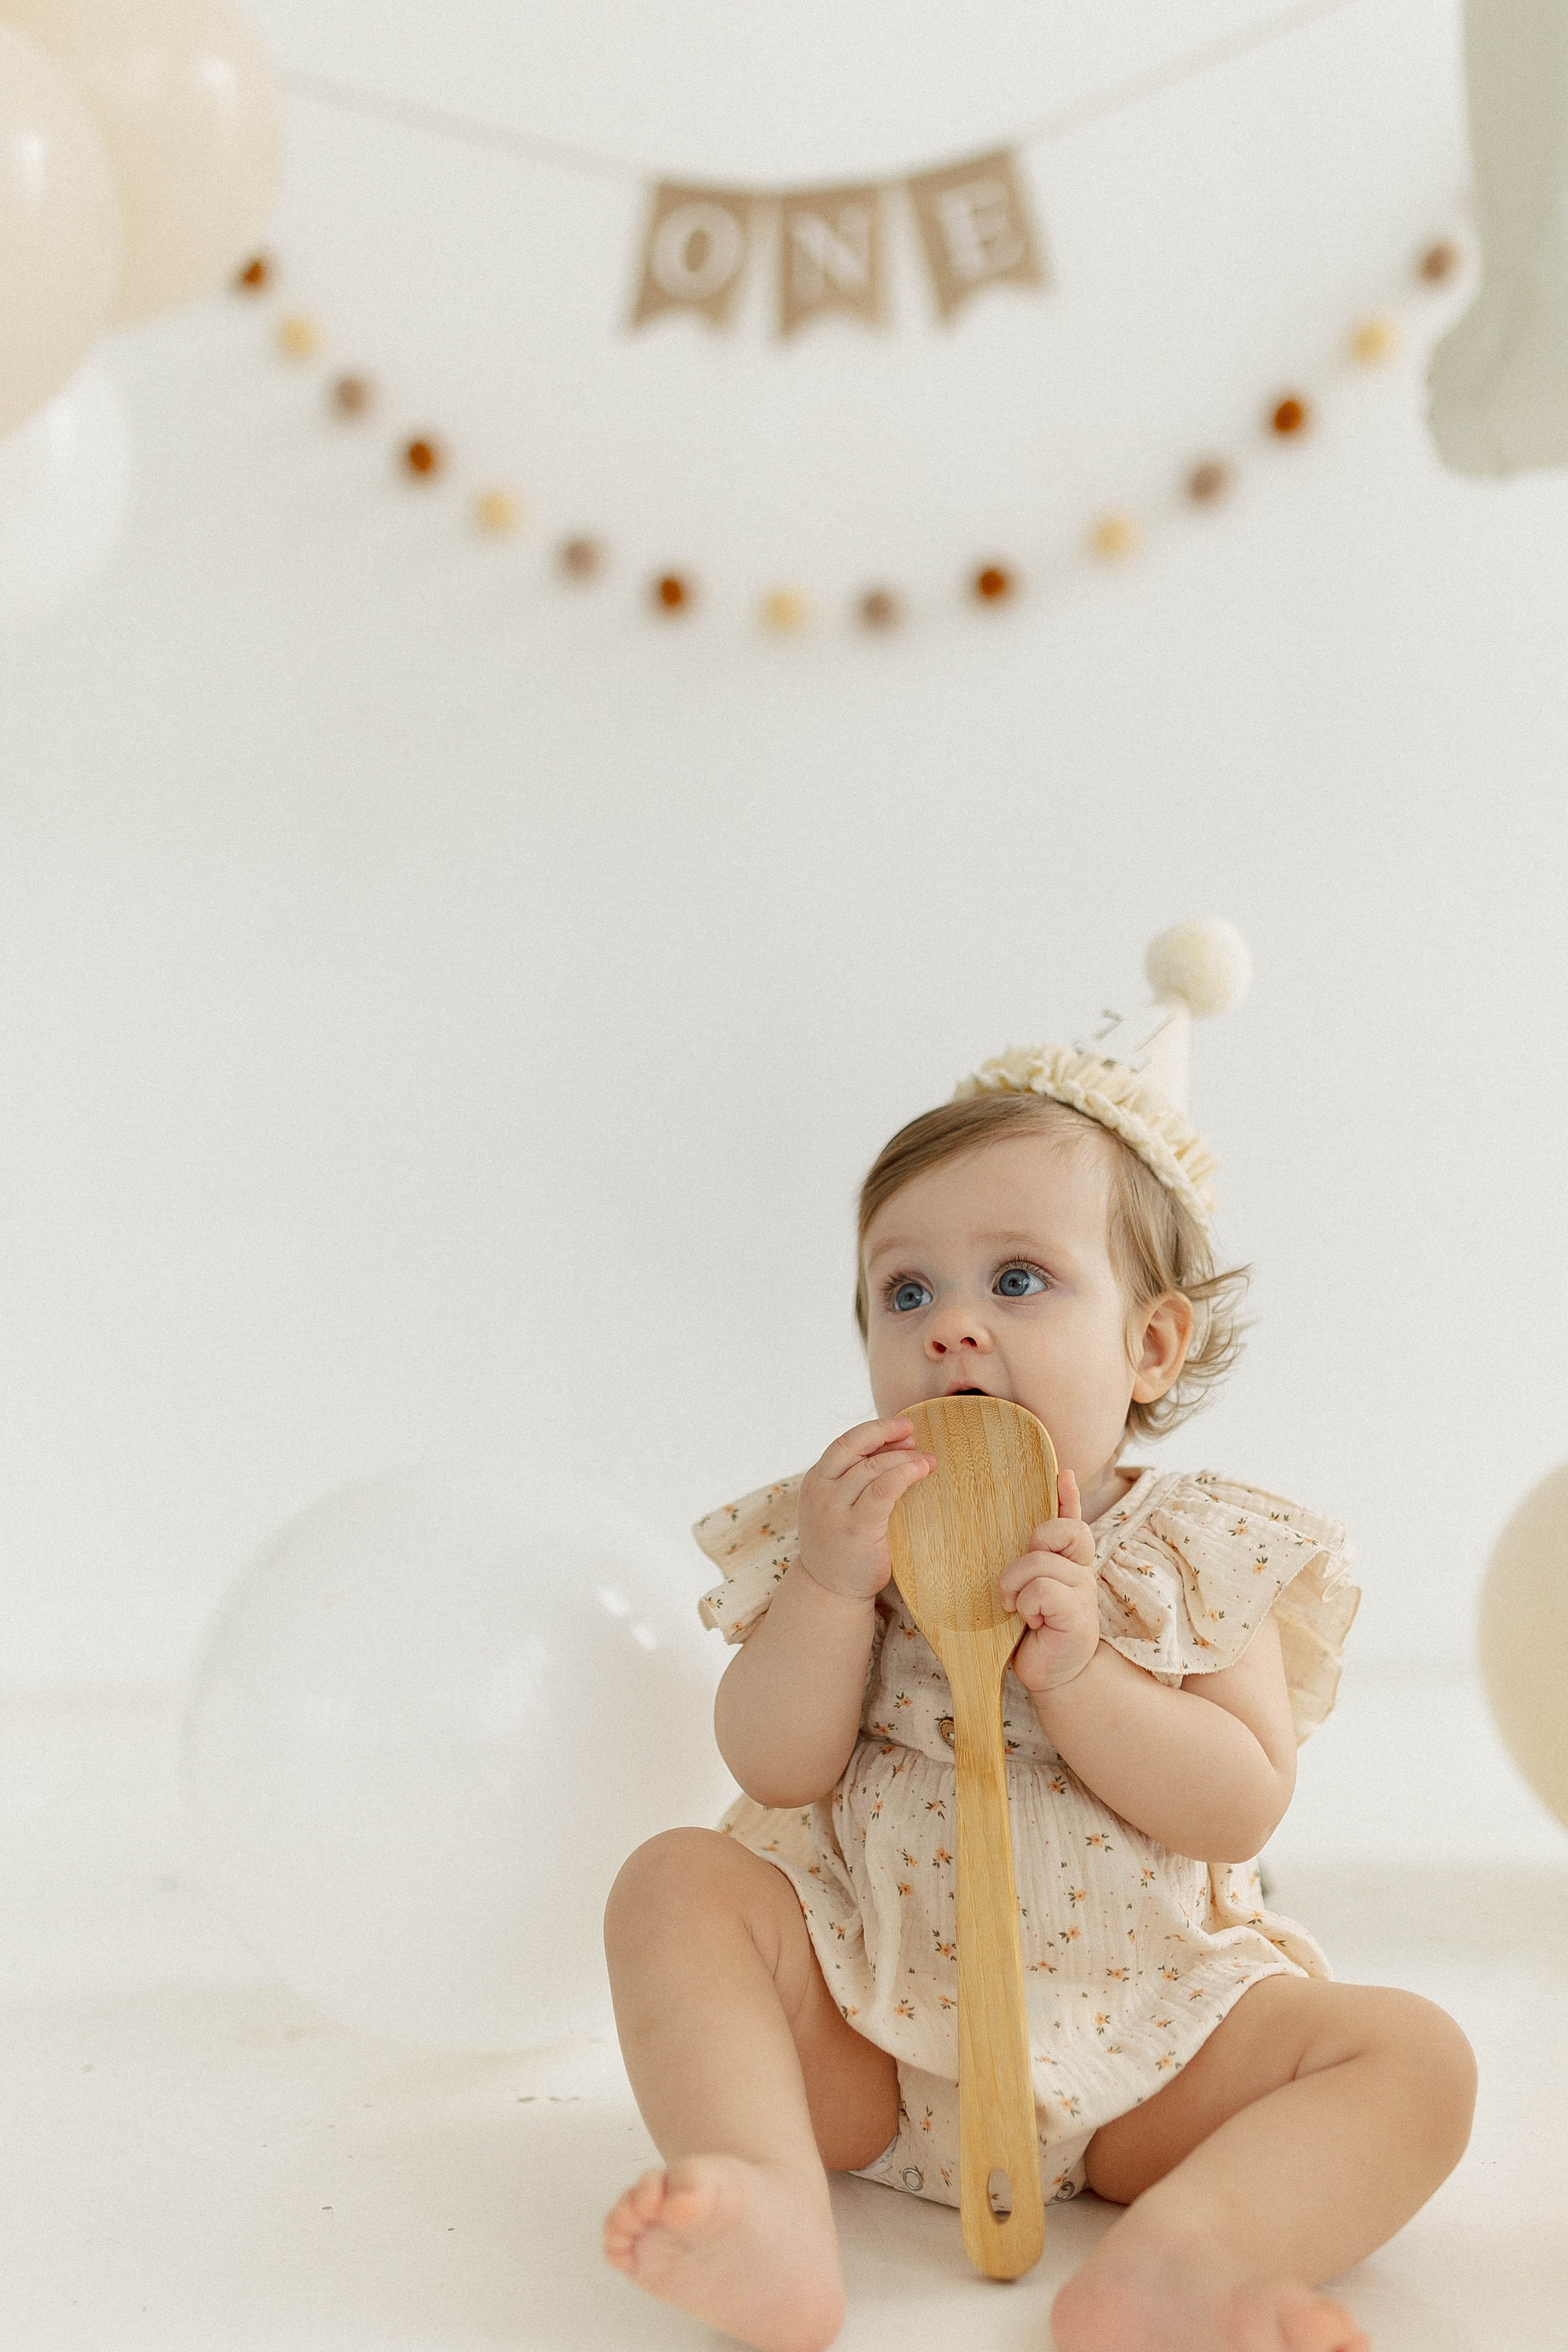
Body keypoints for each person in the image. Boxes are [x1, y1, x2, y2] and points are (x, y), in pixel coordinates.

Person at [600, 920, 1477, 2352]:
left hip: (1153, 2046)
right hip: (865, 2027)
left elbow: (1239, 1801)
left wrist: (1083, 1677)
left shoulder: (1195, 1552)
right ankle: (766, 2200)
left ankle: (1180, 2263)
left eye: (1016, 1280)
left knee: (1412, 2059)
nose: (950, 1327)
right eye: (905, 1292)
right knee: (672, 1884)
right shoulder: (848, 1534)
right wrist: (825, 1592)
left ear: (1151, 1347)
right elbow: (773, 1767)